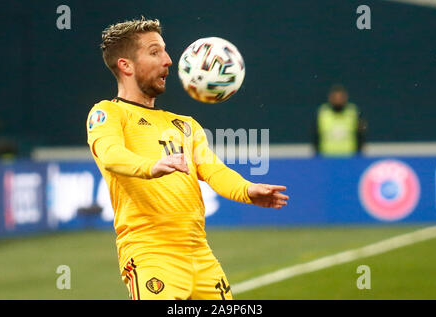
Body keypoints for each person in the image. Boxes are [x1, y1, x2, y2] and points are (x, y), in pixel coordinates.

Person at [86, 17, 289, 300]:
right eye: (155, 52)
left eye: (166, 51)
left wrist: (246, 190)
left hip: (200, 255)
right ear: (126, 65)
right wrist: (150, 166)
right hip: (151, 254)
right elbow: (110, 155)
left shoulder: (185, 124)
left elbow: (214, 170)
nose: (169, 60)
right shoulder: (108, 113)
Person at [313, 84, 366, 157]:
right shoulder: (323, 113)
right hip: (327, 157)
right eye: (335, 98)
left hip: (349, 157)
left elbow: (360, 134)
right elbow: (315, 135)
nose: (338, 100)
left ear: (345, 98)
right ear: (330, 98)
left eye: (340, 97)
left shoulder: (353, 112)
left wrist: (358, 154)